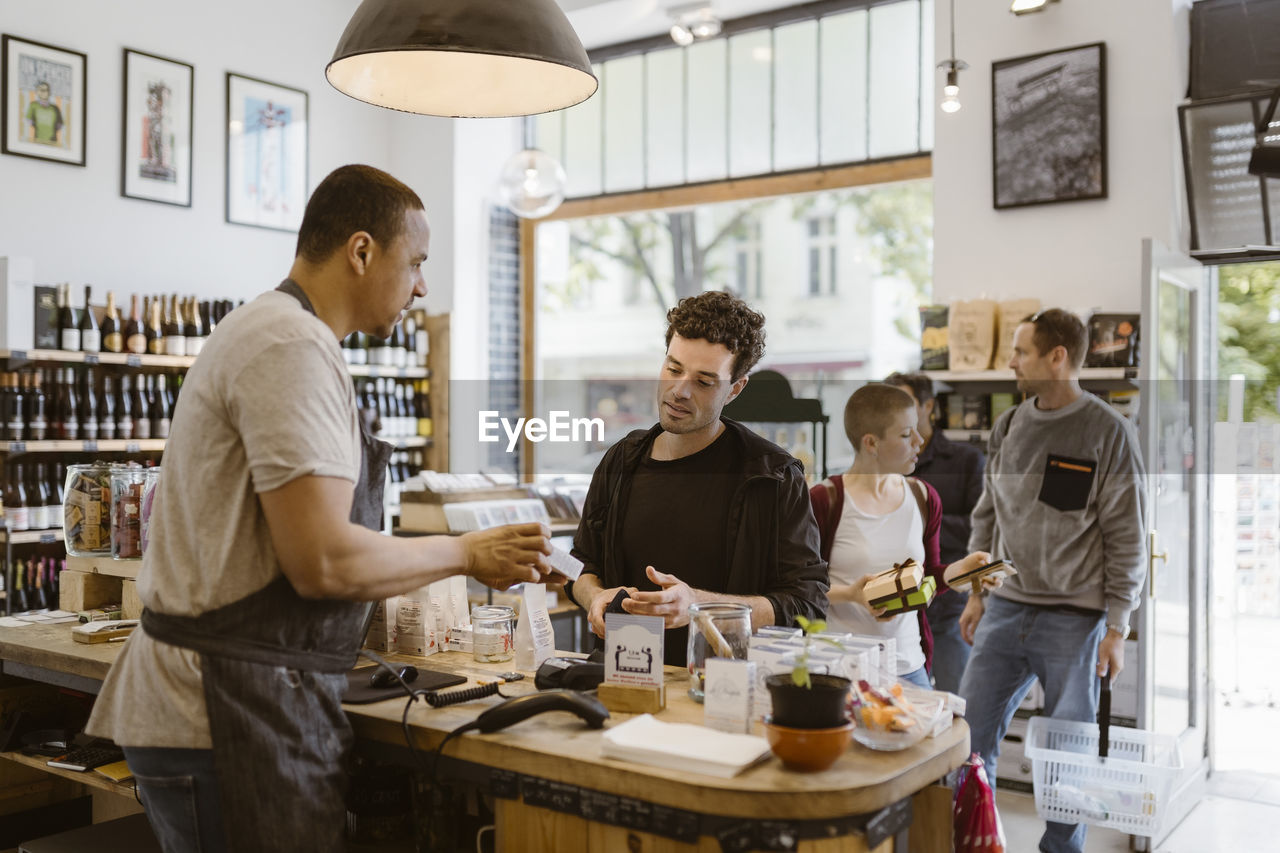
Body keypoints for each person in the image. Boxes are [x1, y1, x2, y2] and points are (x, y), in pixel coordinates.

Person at [85, 165, 555, 853]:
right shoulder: (289, 345)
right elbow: (324, 560)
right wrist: (467, 551)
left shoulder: (284, 335)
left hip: (244, 699)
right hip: (220, 711)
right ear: (361, 251)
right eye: (416, 263)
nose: (422, 287)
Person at [958, 308, 1147, 853]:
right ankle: (976, 838)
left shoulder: (1107, 432)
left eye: (1021, 352)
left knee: (1069, 754)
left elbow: (1127, 535)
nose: (1012, 362)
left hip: (1076, 620)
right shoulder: (1010, 424)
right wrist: (977, 592)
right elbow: (988, 515)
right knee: (969, 738)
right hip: (1006, 607)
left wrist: (1118, 628)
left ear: (1057, 357)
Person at [566, 290, 829, 665]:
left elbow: (808, 605)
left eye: (705, 381)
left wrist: (699, 605)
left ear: (735, 388)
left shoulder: (773, 476)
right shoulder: (621, 459)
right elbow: (581, 565)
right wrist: (595, 597)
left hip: (723, 689)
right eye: (673, 369)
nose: (680, 390)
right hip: (621, 680)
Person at [810, 384, 988, 689]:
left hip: (909, 665)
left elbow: (929, 575)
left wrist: (963, 570)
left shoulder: (923, 497)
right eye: (907, 435)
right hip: (840, 668)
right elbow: (798, 588)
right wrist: (851, 594)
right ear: (871, 443)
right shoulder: (824, 500)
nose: (920, 442)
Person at [884, 371, 986, 693]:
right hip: (894, 606)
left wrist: (920, 523)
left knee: (958, 704)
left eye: (906, 403)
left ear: (929, 406)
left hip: (950, 605)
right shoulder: (883, 463)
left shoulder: (967, 459)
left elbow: (979, 526)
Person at [25, 81, 63, 146]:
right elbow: (28, 119)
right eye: (42, 90)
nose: (45, 92)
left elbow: (60, 123)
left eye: (47, 90)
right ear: (37, 92)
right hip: (38, 140)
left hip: (52, 141)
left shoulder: (55, 108)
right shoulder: (33, 105)